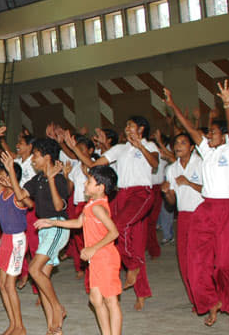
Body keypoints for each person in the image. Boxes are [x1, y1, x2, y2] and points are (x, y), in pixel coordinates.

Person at [165, 81, 229, 328]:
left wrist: (227, 105)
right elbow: (189, 128)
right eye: (207, 133)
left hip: (228, 210)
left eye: (212, 132)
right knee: (196, 263)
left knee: (223, 265)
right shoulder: (207, 153)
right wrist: (172, 104)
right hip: (206, 209)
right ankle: (211, 303)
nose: (208, 135)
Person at [36, 165, 124, 335]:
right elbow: (78, 223)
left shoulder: (98, 207)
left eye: (89, 181)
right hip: (96, 260)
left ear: (101, 187)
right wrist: (51, 222)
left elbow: (114, 233)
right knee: (95, 299)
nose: (84, 184)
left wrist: (93, 248)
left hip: (106, 258)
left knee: (111, 302)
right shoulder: (91, 205)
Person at [68, 117, 160, 310]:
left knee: (128, 236)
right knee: (116, 240)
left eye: (131, 125)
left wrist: (140, 147)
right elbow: (94, 165)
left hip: (140, 194)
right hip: (122, 196)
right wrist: (74, 148)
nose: (126, 128)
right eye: (125, 125)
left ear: (141, 128)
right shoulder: (120, 149)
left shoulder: (149, 145)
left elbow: (154, 164)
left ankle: (136, 276)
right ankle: (131, 276)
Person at [12, 137, 71, 335]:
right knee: (41, 277)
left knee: (35, 270)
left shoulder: (59, 179)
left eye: (36, 155)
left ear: (47, 157)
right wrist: (11, 171)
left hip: (57, 227)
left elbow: (58, 206)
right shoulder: (36, 180)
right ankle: (53, 328)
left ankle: (58, 308)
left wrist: (53, 179)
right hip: (45, 231)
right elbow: (20, 196)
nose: (33, 160)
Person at [0, 127, 28, 335]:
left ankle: (20, 326)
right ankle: (13, 324)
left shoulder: (18, 195)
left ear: (11, 177)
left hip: (17, 240)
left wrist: (10, 171)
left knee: (9, 285)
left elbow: (23, 196)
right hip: (6, 241)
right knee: (2, 285)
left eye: (3, 175)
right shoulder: (2, 192)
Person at [161, 132, 204, 308]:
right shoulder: (172, 169)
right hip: (184, 215)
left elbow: (211, 190)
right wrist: (168, 193)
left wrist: (189, 183)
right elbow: (172, 204)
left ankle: (206, 297)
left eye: (183, 143)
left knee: (200, 259)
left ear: (192, 147)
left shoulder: (201, 164)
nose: (178, 146)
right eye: (176, 143)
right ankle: (196, 299)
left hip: (202, 214)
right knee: (184, 260)